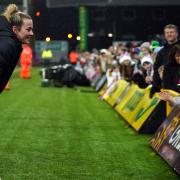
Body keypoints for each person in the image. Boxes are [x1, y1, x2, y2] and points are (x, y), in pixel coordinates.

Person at [0, 4, 33, 93]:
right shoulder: (7, 45)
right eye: (28, 29)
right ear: (15, 30)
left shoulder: (11, 43)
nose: (32, 33)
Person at [150, 24, 179, 98]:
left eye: (171, 32)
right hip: (166, 88)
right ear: (165, 35)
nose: (169, 34)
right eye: (167, 32)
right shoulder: (161, 52)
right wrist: (155, 86)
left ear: (176, 33)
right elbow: (156, 69)